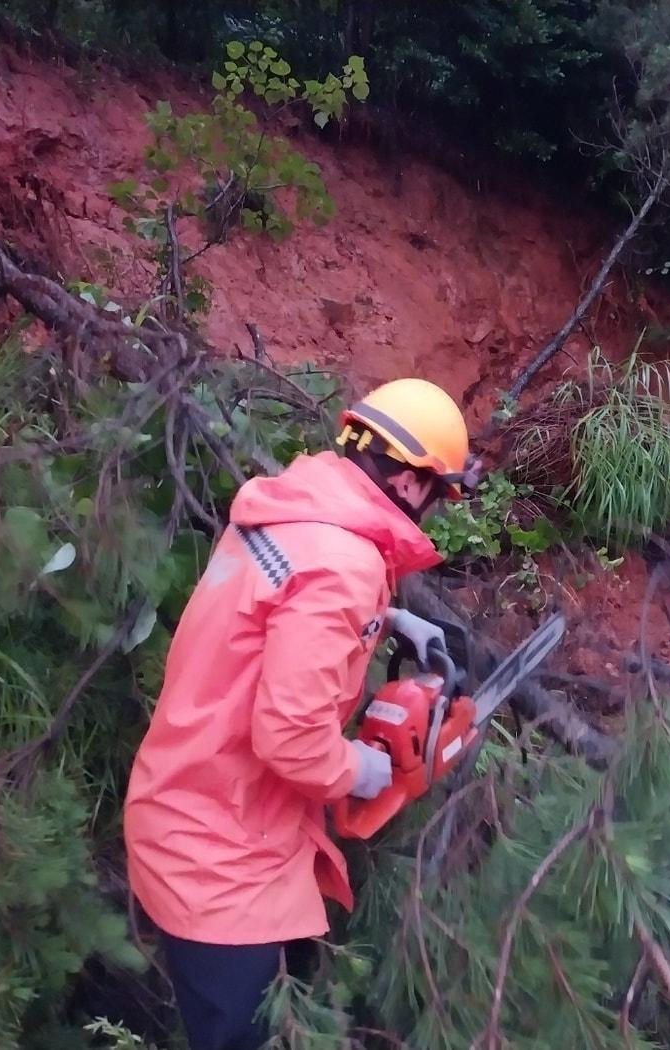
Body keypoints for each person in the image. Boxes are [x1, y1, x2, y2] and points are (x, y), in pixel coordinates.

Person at [122, 378, 474, 1050]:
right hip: (221, 858)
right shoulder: (343, 566)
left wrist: (387, 618)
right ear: (409, 482)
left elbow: (276, 613)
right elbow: (290, 738)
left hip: (195, 800)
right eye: (438, 493)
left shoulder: (294, 512)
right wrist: (361, 769)